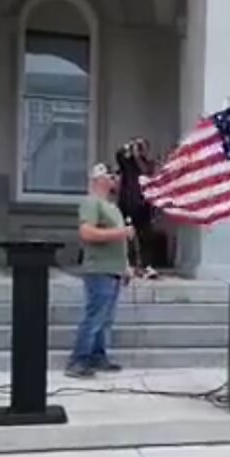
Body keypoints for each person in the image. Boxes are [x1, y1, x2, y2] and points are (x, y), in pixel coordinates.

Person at [66, 164, 133, 379]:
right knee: (94, 316)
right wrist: (121, 232)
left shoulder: (112, 207)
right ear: (99, 180)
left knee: (106, 318)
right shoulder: (91, 203)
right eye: (110, 176)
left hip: (113, 269)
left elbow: (119, 240)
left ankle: (97, 356)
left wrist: (126, 266)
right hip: (99, 268)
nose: (115, 179)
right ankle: (78, 359)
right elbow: (86, 232)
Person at [115, 138, 158, 279]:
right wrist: (129, 146)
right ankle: (130, 264)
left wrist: (139, 156)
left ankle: (147, 266)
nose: (140, 149)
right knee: (129, 236)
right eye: (139, 147)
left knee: (146, 236)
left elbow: (150, 173)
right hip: (128, 205)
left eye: (142, 147)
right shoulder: (127, 163)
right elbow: (119, 155)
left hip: (144, 206)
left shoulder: (148, 164)